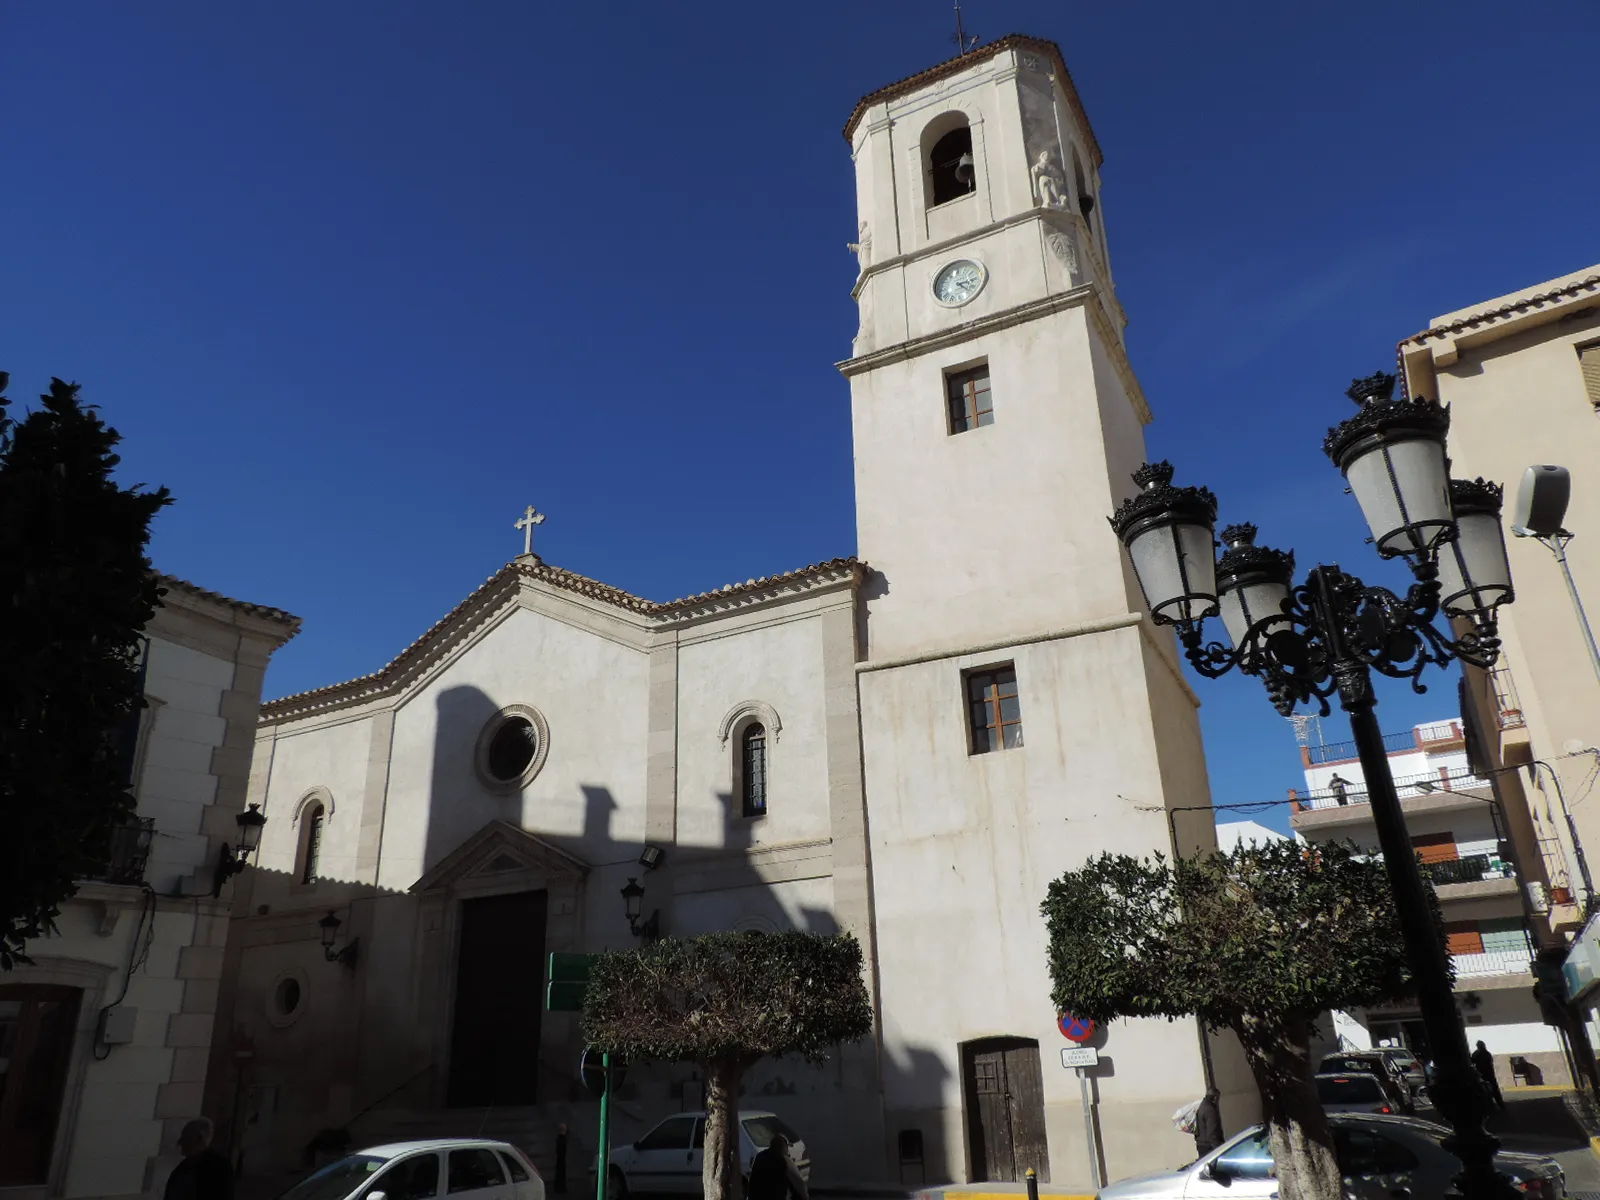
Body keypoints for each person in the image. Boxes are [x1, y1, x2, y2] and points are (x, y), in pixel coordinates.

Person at [163, 1119, 234, 1200]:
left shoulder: (220, 1167)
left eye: (186, 1137)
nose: (180, 1143)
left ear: (199, 1138)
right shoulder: (184, 1165)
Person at [746, 1133, 807, 1200]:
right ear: (784, 1147)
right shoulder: (784, 1160)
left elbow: (752, 1181)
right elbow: (799, 1184)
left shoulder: (759, 1157)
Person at [1471, 1040, 1505, 1110]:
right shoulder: (1486, 1053)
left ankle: (1493, 1105)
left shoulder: (1478, 1053)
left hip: (1483, 1074)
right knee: (1493, 1090)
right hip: (1488, 1074)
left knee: (1487, 1090)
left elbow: (1472, 1061)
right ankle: (1499, 1104)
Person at [1193, 1087, 1224, 1159]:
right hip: (1208, 1147)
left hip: (1201, 1144)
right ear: (1215, 1098)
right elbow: (1212, 1132)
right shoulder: (1210, 1110)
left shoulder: (1202, 1106)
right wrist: (1219, 1149)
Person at [553, 1123, 569, 1195]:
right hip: (561, 1159)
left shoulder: (559, 1138)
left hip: (559, 1158)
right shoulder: (563, 1138)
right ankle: (561, 1188)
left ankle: (558, 1187)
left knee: (559, 1173)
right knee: (561, 1173)